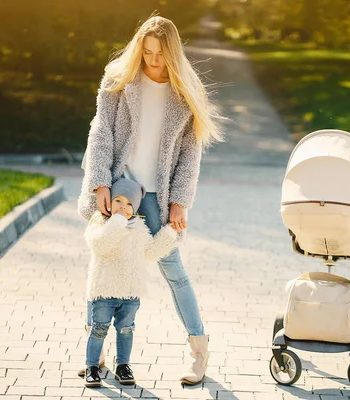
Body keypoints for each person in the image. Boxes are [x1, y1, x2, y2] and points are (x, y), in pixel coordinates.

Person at [77, 15, 222, 385]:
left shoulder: (185, 91)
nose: (153, 60)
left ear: (172, 53)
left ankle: (198, 351)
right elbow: (100, 132)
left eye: (160, 54)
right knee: (104, 262)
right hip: (118, 186)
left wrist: (179, 201)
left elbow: (191, 152)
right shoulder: (118, 79)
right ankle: (99, 353)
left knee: (173, 271)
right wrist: (99, 184)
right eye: (147, 52)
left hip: (157, 197)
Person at [83, 178, 178, 388]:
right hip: (104, 290)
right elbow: (100, 245)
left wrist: (170, 233)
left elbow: (150, 252)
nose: (122, 207)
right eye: (118, 200)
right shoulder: (100, 223)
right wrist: (118, 222)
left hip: (130, 291)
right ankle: (91, 366)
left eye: (128, 204)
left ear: (135, 208)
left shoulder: (139, 227)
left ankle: (123, 365)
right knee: (99, 328)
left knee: (126, 329)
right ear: (109, 201)